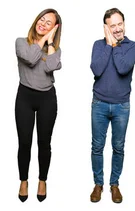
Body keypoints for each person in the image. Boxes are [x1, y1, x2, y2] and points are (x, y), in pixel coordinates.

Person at [89, 8, 135, 204]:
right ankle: (98, 184)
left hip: (121, 106)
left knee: (118, 147)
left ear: (124, 24)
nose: (117, 29)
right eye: (112, 26)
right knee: (97, 147)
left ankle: (114, 184)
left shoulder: (132, 46)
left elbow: (123, 67)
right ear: (106, 28)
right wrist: (108, 45)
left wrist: (115, 45)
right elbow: (97, 69)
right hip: (99, 104)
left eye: (120, 24)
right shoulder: (98, 45)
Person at [15, 8, 62, 203]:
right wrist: (42, 40)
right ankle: (24, 181)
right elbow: (30, 58)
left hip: (47, 100)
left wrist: (49, 42)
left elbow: (51, 67)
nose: (43, 23)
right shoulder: (21, 42)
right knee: (25, 143)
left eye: (48, 23)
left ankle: (42, 180)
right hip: (25, 97)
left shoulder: (55, 50)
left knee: (44, 143)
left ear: (54, 29)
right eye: (41, 19)